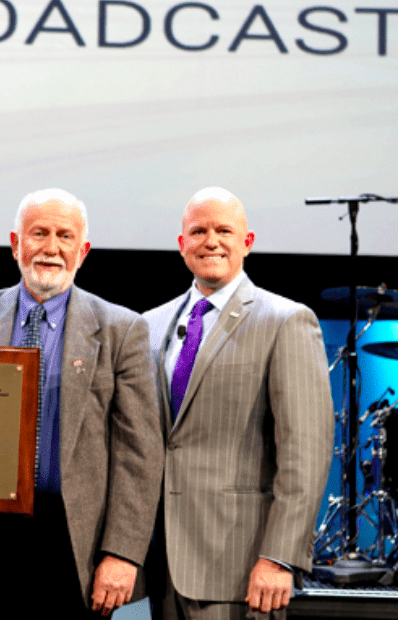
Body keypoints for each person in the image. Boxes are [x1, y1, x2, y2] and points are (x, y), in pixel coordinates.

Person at [0, 188, 163, 618]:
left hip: (79, 543)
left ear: (84, 250)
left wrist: (123, 552)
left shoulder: (122, 330)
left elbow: (140, 455)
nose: (51, 247)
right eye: (39, 233)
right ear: (15, 243)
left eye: (64, 236)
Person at [143, 187, 333, 620]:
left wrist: (280, 557)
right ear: (182, 245)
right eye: (199, 231)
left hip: (242, 570)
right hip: (163, 565)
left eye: (224, 230)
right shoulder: (149, 325)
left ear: (247, 242)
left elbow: (306, 454)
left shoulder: (286, 321)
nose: (211, 241)